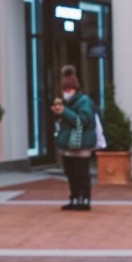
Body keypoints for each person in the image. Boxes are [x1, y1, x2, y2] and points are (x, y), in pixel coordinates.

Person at [51, 65, 96, 211]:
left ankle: (84, 199)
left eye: (68, 90)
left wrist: (64, 112)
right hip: (67, 144)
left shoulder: (84, 101)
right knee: (70, 173)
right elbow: (59, 126)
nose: (66, 93)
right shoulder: (63, 103)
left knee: (81, 172)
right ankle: (75, 197)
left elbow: (81, 121)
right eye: (64, 90)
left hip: (80, 143)